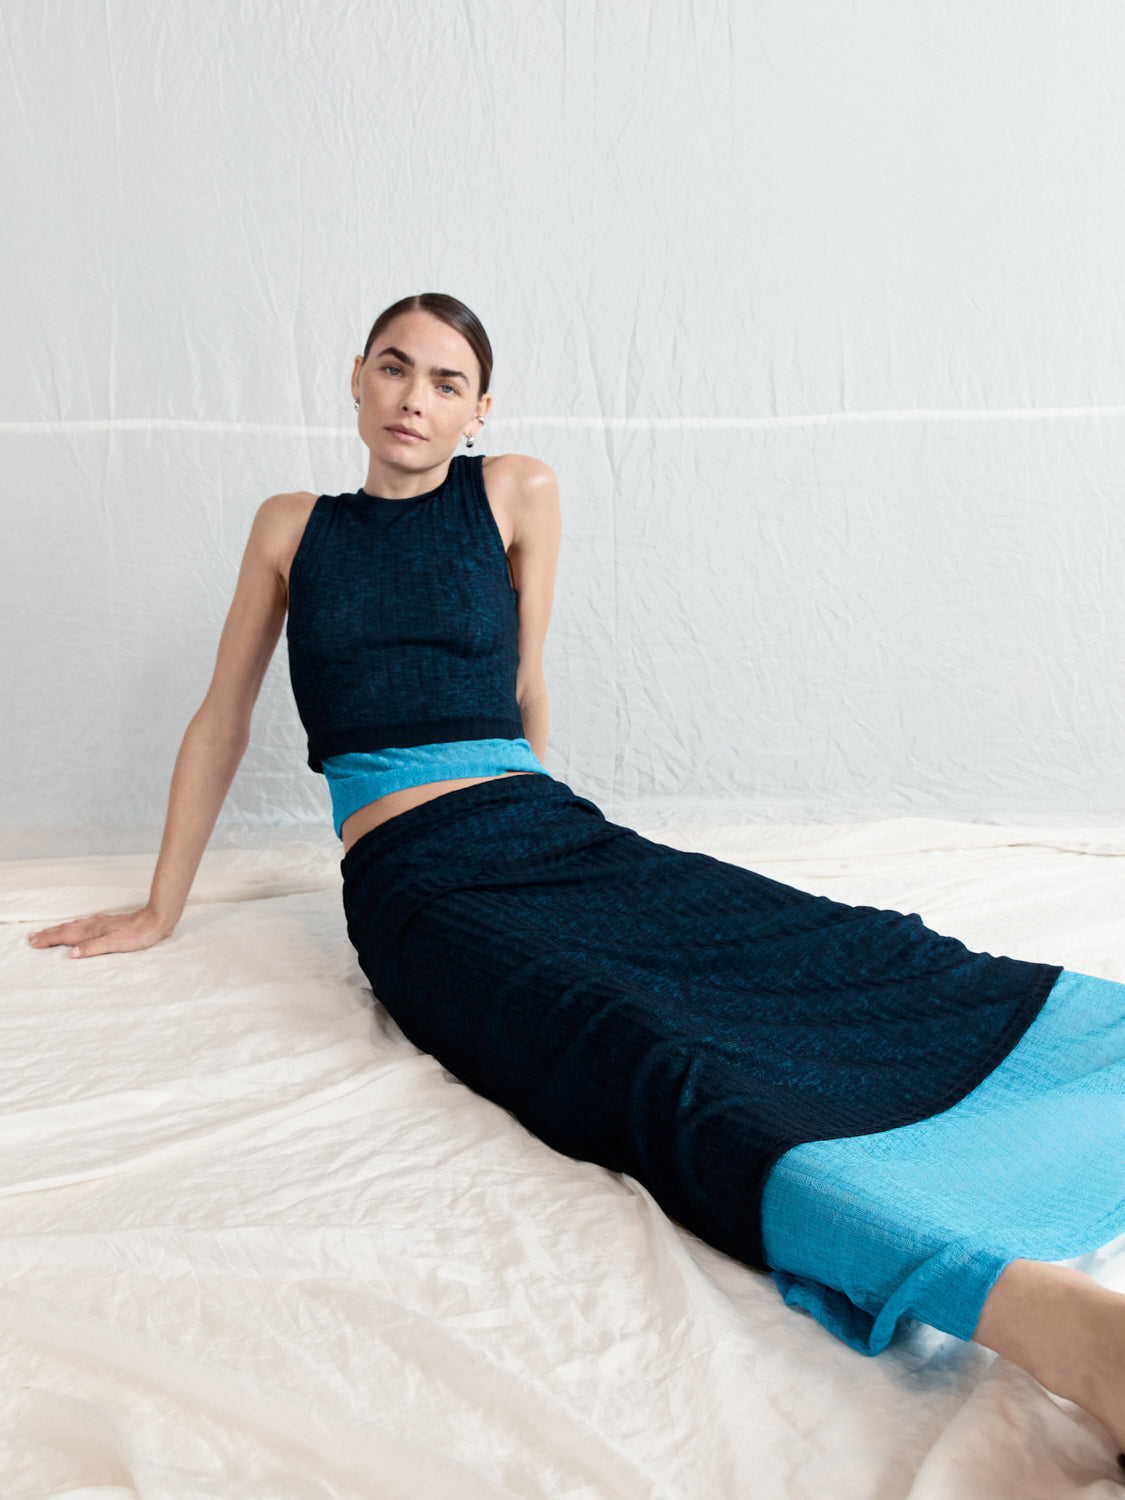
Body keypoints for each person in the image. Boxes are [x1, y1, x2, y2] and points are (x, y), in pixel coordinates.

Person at [26, 292, 1125, 1469]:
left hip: (539, 828)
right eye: (394, 368)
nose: (414, 398)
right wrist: (161, 908)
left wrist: (556, 842)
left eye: (447, 382)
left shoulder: (516, 490)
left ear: (479, 409)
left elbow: (527, 685)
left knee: (822, 942)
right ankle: (1060, 1329)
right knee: (643, 1052)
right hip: (415, 884)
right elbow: (221, 719)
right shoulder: (292, 527)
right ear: (355, 378)